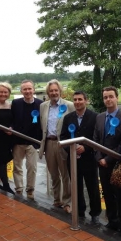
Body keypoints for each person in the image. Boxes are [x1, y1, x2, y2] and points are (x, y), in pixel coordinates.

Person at [93, 86, 121, 234]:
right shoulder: (99, 117)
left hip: (118, 163)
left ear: (117, 98)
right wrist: (99, 158)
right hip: (102, 163)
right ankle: (112, 220)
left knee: (120, 195)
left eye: (111, 96)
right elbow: (95, 139)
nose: (108, 99)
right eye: (105, 97)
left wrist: (108, 159)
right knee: (107, 193)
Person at [60, 91, 101, 223]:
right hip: (72, 159)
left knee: (92, 187)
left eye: (80, 99)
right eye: (75, 100)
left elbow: (97, 138)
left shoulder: (95, 117)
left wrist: (86, 147)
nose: (77, 102)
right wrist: (71, 148)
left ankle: (95, 213)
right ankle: (80, 211)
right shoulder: (68, 118)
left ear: (86, 101)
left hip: (89, 158)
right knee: (76, 187)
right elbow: (63, 137)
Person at [39, 79, 75, 213]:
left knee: (65, 174)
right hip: (48, 143)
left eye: (56, 90)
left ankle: (67, 202)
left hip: (63, 144)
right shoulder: (43, 106)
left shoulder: (69, 105)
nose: (53, 93)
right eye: (51, 91)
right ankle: (57, 199)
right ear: (48, 92)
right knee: (53, 173)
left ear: (60, 91)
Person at [10, 80, 43, 199]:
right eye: (25, 89)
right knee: (17, 167)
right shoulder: (16, 103)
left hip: (33, 142)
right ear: (21, 91)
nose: (27, 91)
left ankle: (30, 190)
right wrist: (11, 127)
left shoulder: (41, 104)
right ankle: (18, 189)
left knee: (32, 168)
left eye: (29, 89)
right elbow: (12, 119)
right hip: (18, 141)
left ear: (33, 90)